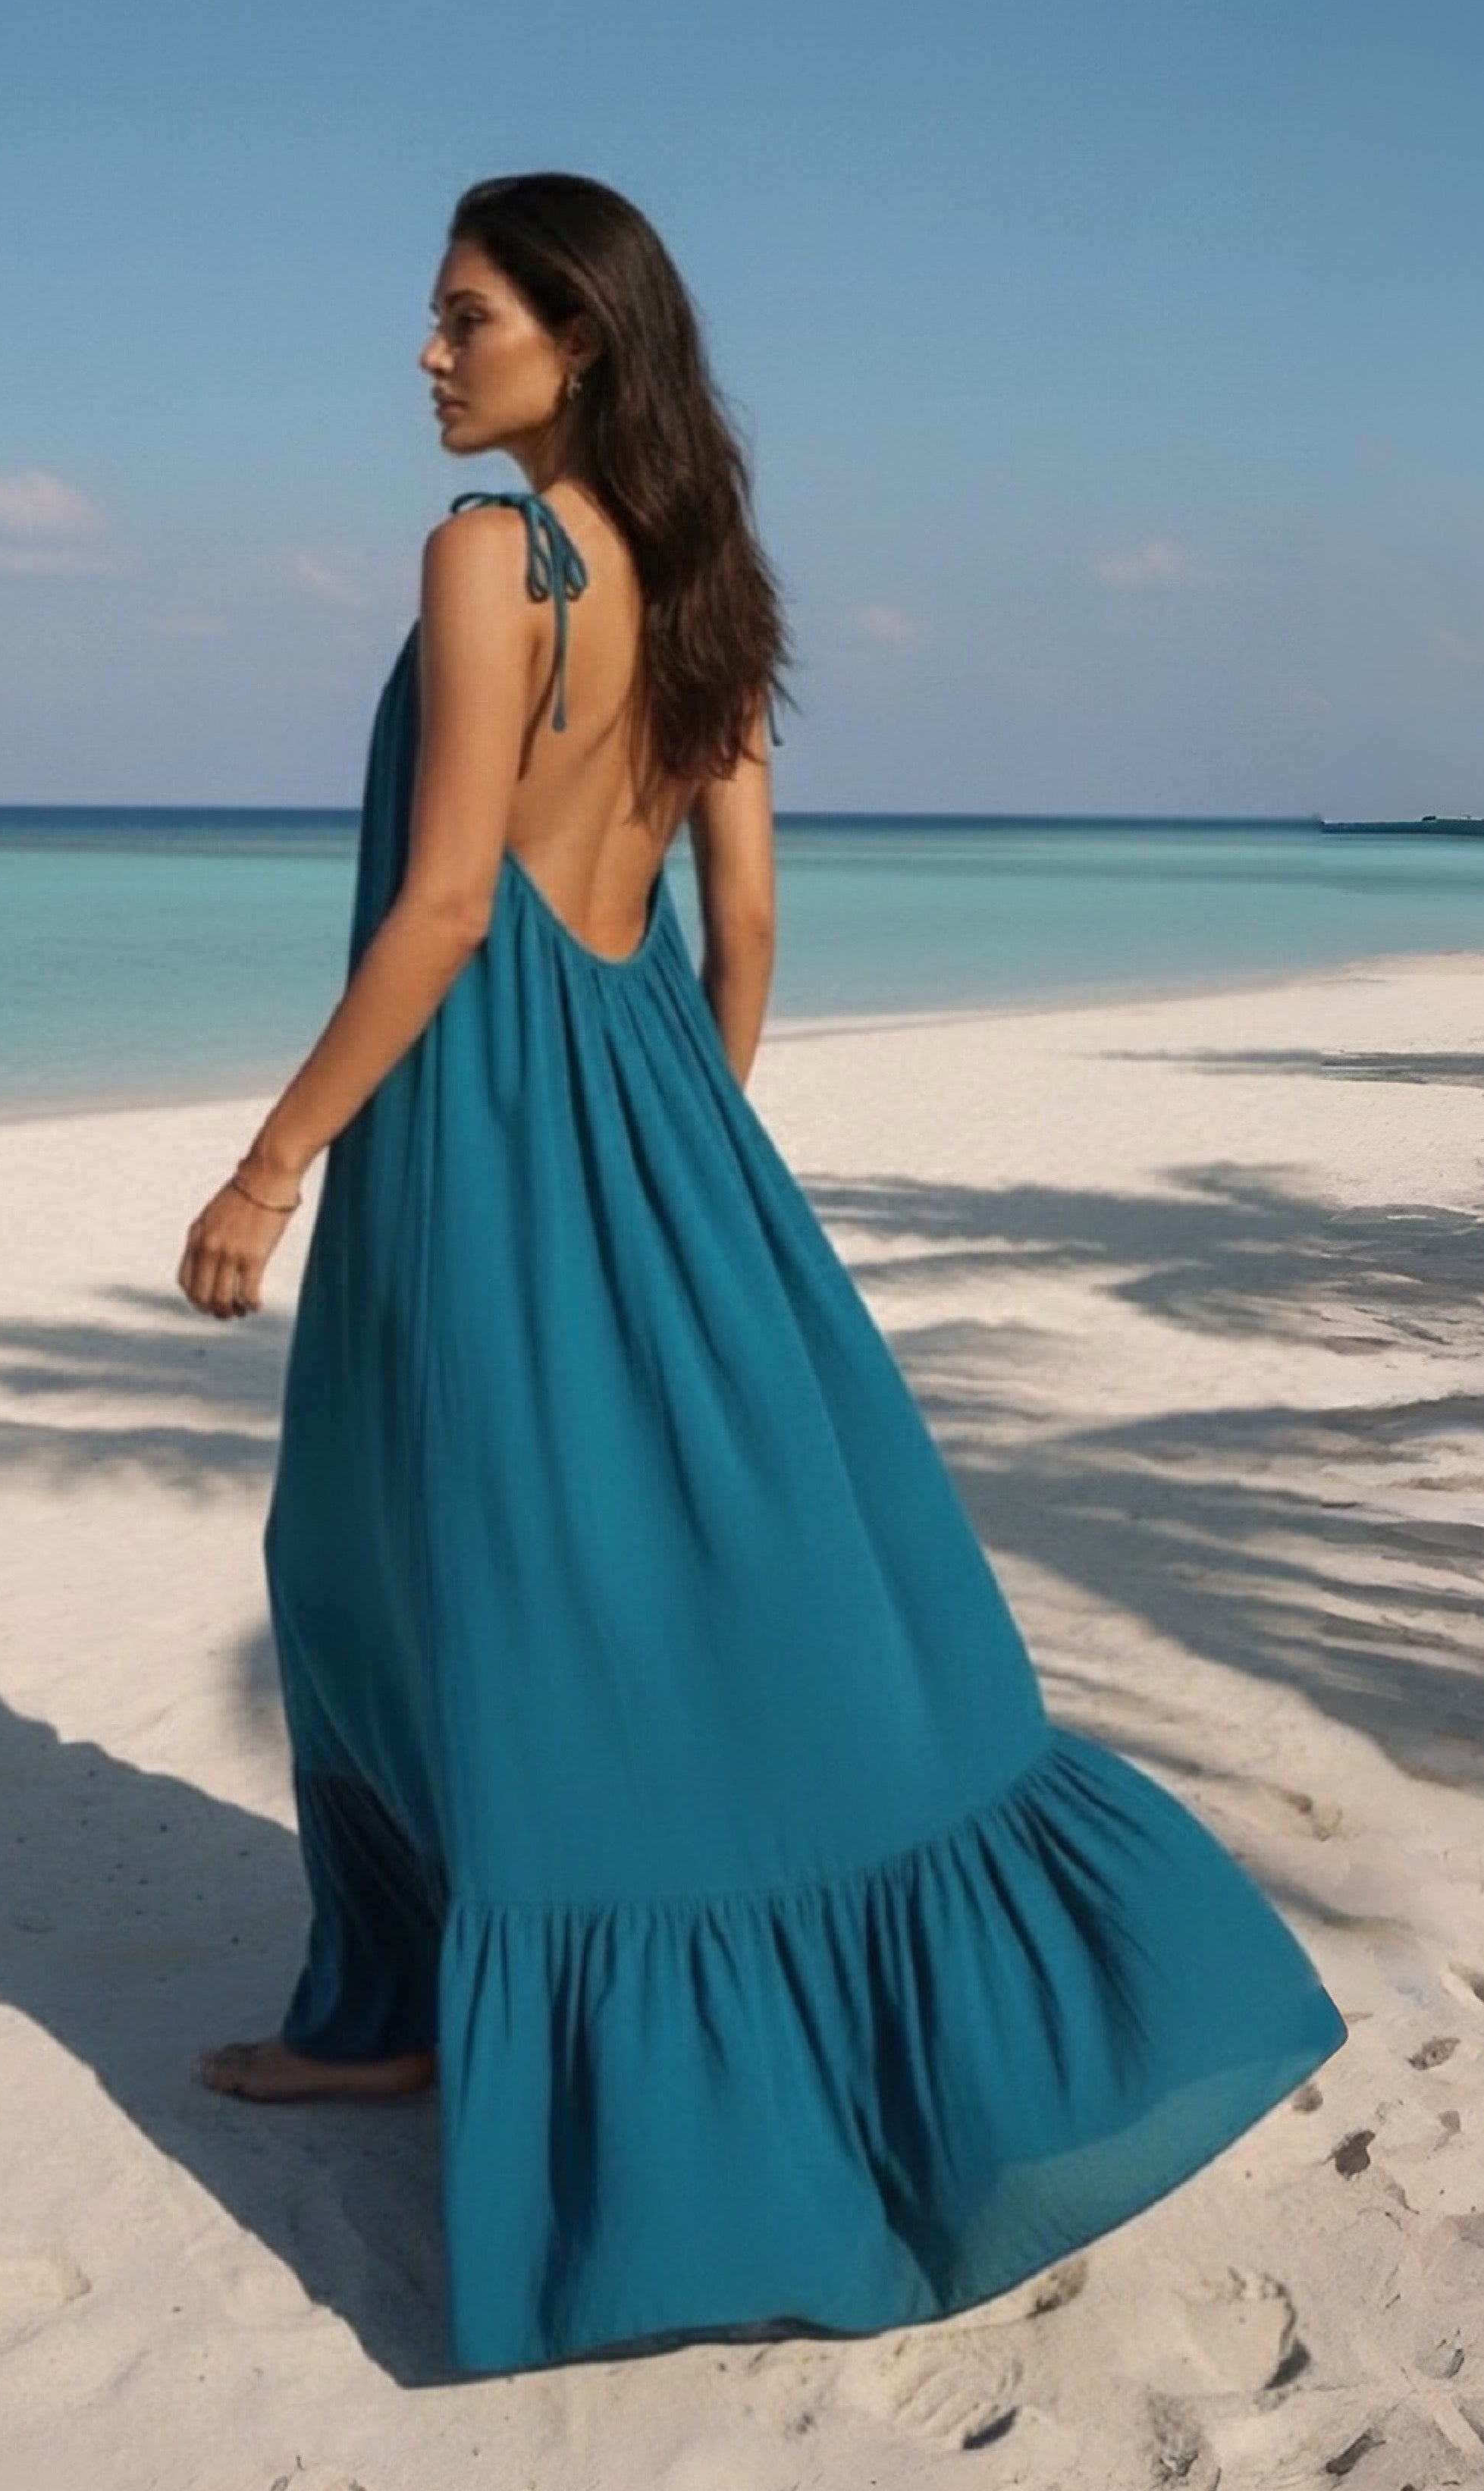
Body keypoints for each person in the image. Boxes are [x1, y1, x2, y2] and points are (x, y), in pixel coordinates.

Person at [177, 171, 1348, 2377]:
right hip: (654, 1121)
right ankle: (412, 2003)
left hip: (477, 1138)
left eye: (465, 317)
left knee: (377, 1563)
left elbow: (447, 910)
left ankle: (392, 2010)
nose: (428, 356)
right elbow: (752, 929)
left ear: (582, 340)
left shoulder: (489, 558)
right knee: (588, 1580)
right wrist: (675, 1161)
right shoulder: (709, 586)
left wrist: (269, 1166)